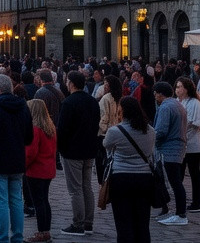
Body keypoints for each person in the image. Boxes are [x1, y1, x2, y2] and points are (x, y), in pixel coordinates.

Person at [0, 73, 33, 243]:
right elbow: (29, 137)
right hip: (16, 159)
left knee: (1, 202)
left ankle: (2, 238)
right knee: (16, 200)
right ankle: (17, 236)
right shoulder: (23, 107)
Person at [102, 97, 157, 243]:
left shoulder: (115, 131)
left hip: (121, 178)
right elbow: (150, 152)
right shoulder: (150, 131)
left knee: (123, 222)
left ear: (122, 110)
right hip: (144, 178)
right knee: (143, 223)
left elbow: (106, 145)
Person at [57, 71, 99, 238]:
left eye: (67, 82)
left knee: (75, 189)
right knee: (87, 186)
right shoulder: (92, 102)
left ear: (72, 83)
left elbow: (63, 130)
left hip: (73, 151)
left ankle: (78, 224)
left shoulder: (68, 103)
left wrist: (61, 148)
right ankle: (88, 222)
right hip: (89, 149)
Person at [152, 82, 187, 227]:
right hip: (178, 147)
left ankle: (180, 214)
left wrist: (151, 137)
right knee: (176, 181)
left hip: (169, 149)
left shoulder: (165, 107)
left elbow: (161, 131)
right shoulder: (178, 105)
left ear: (160, 93)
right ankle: (177, 212)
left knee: (175, 182)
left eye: (155, 93)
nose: (154, 96)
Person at [23, 98, 57, 243]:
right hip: (48, 168)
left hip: (36, 170)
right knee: (44, 200)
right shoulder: (50, 128)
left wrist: (22, 164)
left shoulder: (35, 129)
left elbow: (31, 153)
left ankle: (42, 232)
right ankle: (45, 231)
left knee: (39, 202)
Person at [175, 78, 200, 213]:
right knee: (178, 173)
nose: (177, 89)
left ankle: (196, 202)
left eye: (180, 87)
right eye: (176, 87)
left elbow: (196, 123)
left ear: (186, 89)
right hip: (179, 143)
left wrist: (183, 135)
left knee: (194, 173)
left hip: (192, 143)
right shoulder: (177, 102)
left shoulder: (194, 103)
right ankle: (179, 200)